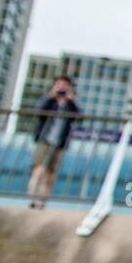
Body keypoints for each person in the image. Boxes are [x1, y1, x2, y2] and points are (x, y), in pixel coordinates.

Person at [29, 75, 80, 209]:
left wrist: (71, 100)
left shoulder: (70, 104)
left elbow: (78, 118)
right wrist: (51, 96)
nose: (62, 87)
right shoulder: (49, 101)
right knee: (38, 169)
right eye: (59, 84)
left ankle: (42, 202)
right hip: (44, 140)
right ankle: (32, 199)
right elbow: (39, 113)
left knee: (50, 174)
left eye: (65, 85)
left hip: (59, 143)